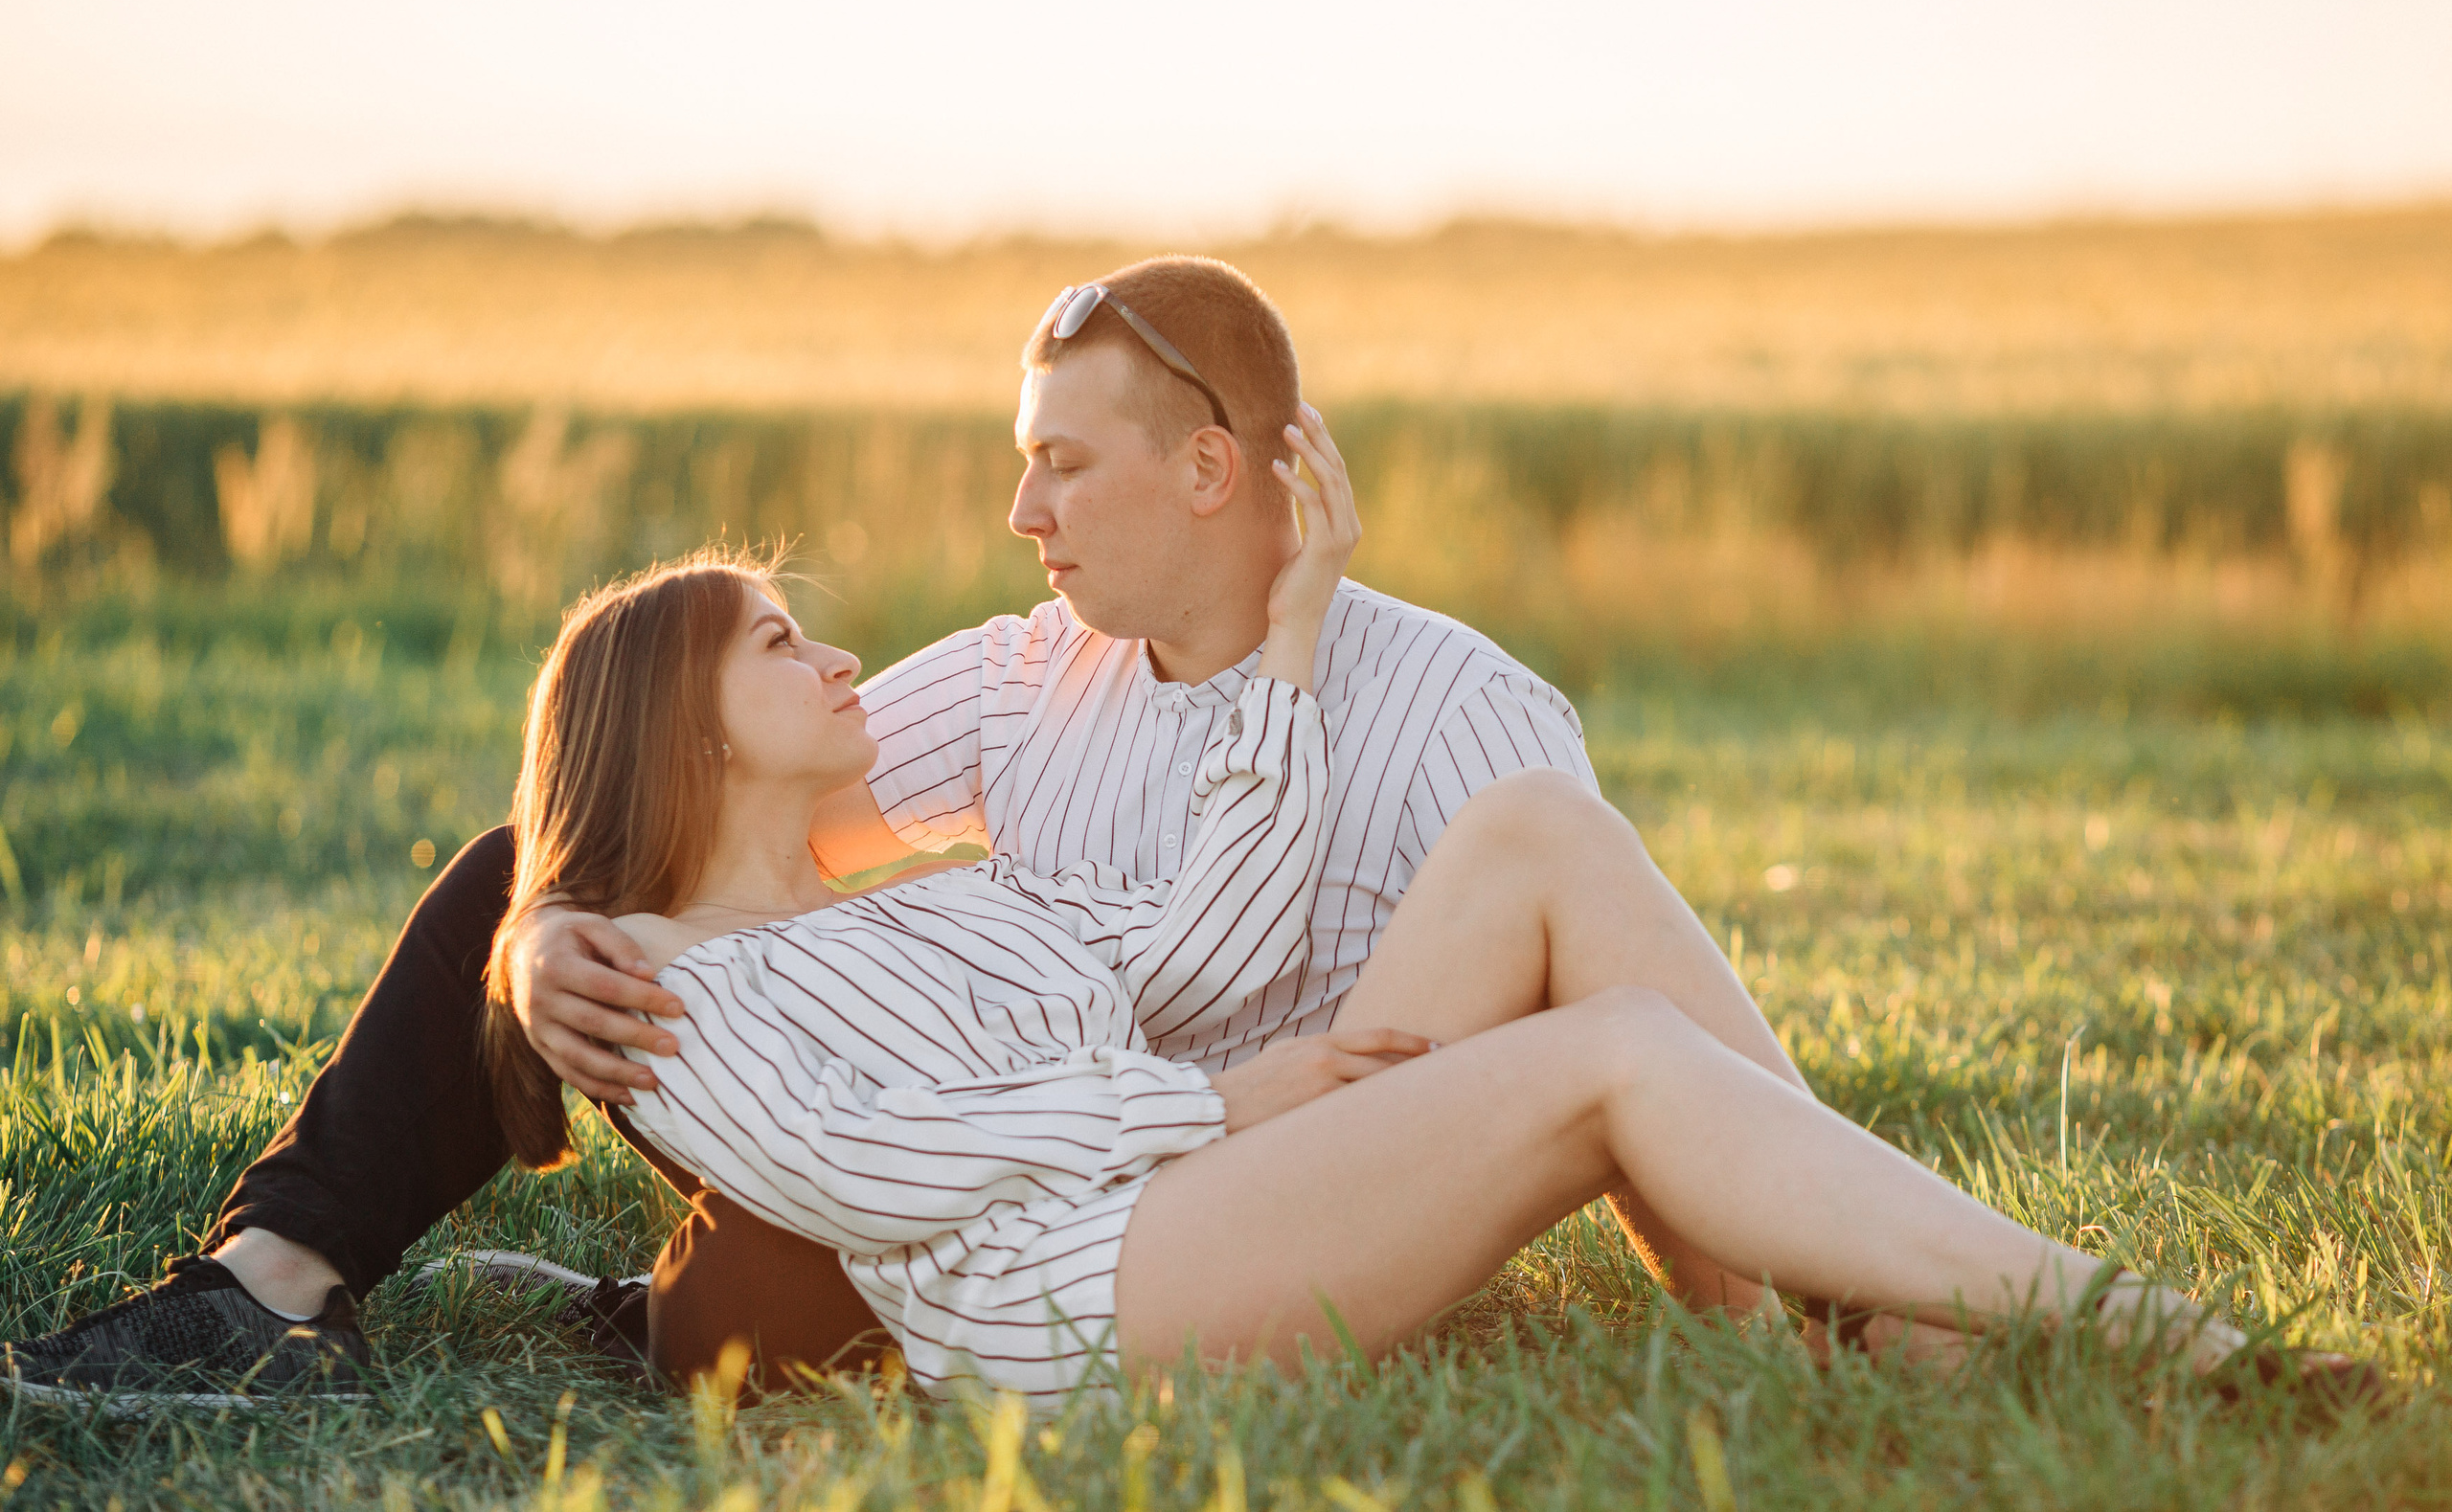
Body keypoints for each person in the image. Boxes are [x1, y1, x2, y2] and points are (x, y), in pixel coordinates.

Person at [7, 260, 1871, 1404]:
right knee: (548, 885)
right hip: (999, 1178)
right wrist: (544, 924)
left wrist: (1769, 1305)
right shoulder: (1013, 676)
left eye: (1058, 462)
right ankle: (278, 1281)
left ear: (1209, 471)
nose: (1016, 512)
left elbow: (1621, 1044)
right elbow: (681, 789)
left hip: (1276, 1182)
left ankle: (1861, 1313)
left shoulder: (1466, 716)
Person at [509, 472, 2307, 1409]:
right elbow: (866, 1165)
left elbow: (1199, 931)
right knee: (1609, 1062)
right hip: (1076, 1313)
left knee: (1537, 833)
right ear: (680, 721)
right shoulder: (660, 976)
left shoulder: (944, 899)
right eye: (774, 642)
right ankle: (2118, 1324)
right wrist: (1221, 1108)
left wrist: (1291, 640)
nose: (835, 659)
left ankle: (1854, 1320)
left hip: (1177, 1206)